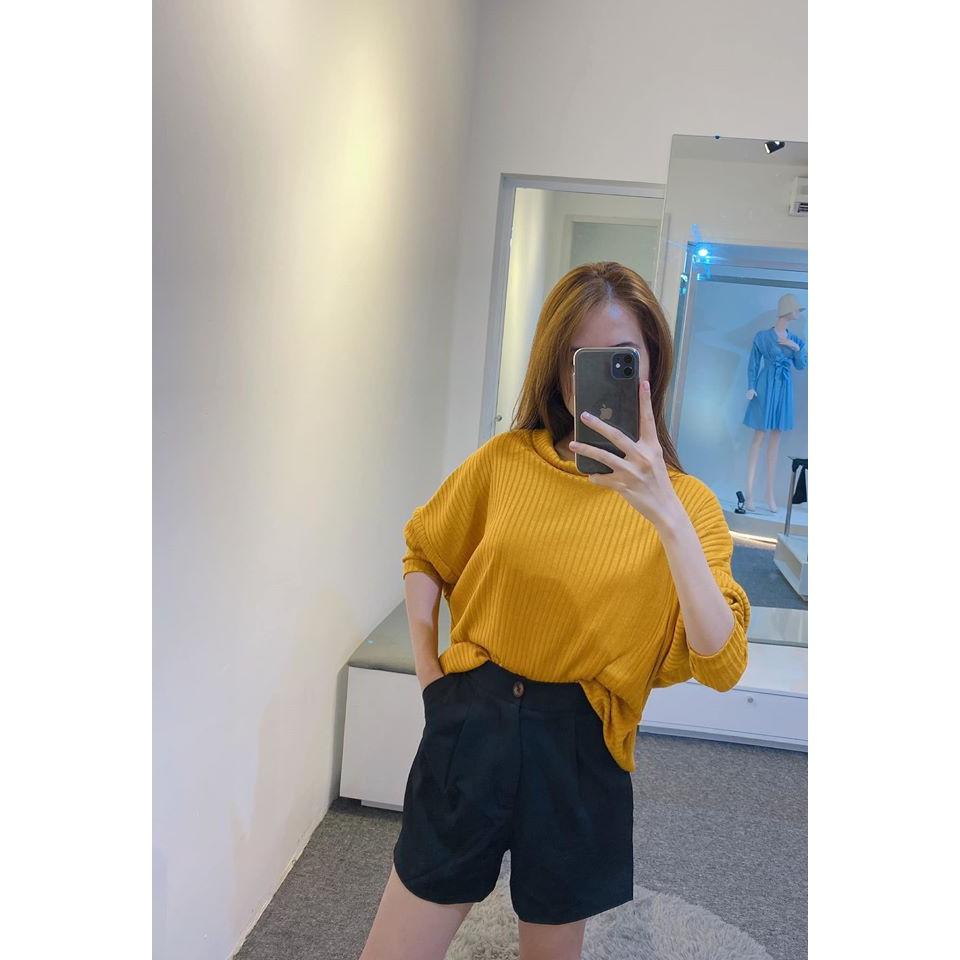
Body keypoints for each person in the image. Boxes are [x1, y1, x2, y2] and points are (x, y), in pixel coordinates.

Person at [359, 261, 751, 960]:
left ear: (652, 367)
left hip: (581, 742)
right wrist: (430, 677)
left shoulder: (689, 507)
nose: (591, 382)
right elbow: (426, 550)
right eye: (577, 360)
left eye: (619, 360)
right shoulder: (506, 461)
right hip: (473, 720)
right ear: (554, 367)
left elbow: (721, 663)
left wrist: (663, 510)